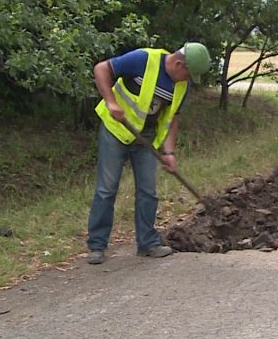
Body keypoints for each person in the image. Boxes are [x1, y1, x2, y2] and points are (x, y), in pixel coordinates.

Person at [86, 42, 210, 265]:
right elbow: (101, 69)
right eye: (188, 74)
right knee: (107, 189)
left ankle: (147, 243)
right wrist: (111, 102)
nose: (188, 80)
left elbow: (173, 119)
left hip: (146, 138)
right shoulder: (143, 59)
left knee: (148, 190)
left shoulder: (182, 85)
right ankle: (97, 245)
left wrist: (169, 151)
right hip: (117, 132)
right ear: (179, 63)